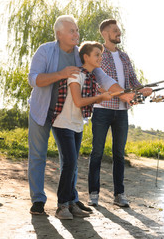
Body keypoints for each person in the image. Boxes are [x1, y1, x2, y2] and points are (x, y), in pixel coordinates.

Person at [28, 15, 135, 215]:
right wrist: (61, 73)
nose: (77, 34)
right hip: (42, 110)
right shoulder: (45, 51)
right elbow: (33, 79)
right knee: (38, 156)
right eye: (72, 31)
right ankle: (38, 200)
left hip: (68, 116)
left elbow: (101, 76)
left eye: (77, 30)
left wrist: (124, 94)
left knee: (70, 160)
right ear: (59, 34)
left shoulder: (80, 55)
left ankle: (71, 199)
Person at [87, 19, 152, 207]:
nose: (119, 33)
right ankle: (93, 194)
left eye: (119, 31)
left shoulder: (124, 57)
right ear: (105, 34)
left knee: (119, 154)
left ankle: (119, 194)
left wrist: (144, 90)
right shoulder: (97, 54)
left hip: (122, 112)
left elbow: (133, 81)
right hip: (102, 110)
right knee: (97, 152)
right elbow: (95, 81)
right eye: (115, 31)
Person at [52, 41, 112, 219]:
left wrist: (101, 97)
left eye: (101, 55)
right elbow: (79, 101)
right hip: (63, 123)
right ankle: (61, 206)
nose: (100, 58)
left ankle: (71, 203)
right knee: (69, 164)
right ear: (86, 57)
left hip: (77, 125)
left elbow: (94, 97)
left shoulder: (92, 78)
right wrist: (99, 97)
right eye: (97, 55)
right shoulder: (76, 75)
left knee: (73, 165)